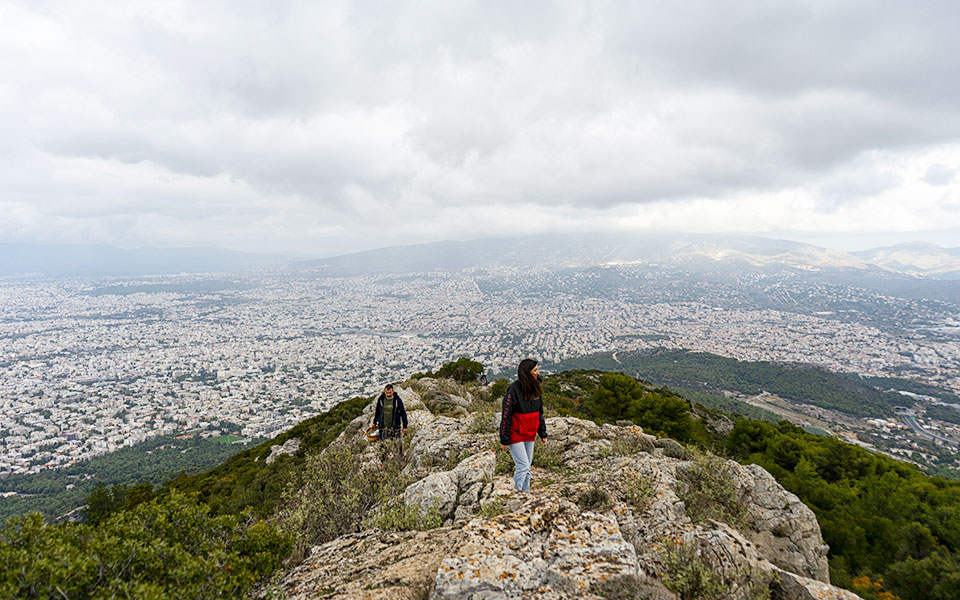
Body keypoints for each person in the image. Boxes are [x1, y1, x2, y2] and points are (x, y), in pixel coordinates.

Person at [499, 358, 548, 492]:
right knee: (523, 467)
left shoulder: (536, 388)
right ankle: (516, 494)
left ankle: (525, 493)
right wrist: (504, 439)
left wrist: (542, 433)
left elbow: (539, 413)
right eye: (535, 370)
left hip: (530, 433)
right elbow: (506, 415)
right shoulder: (513, 390)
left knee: (527, 467)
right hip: (516, 433)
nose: (538, 373)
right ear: (527, 372)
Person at [373, 384, 408, 457]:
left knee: (397, 443)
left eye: (390, 393)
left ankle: (399, 456)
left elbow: (403, 413)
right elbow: (377, 411)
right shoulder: (381, 399)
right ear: (384, 391)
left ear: (393, 391)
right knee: (383, 445)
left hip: (395, 426)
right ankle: (383, 459)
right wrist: (374, 422)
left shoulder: (397, 400)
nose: (388, 394)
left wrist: (405, 426)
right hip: (383, 427)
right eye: (387, 393)